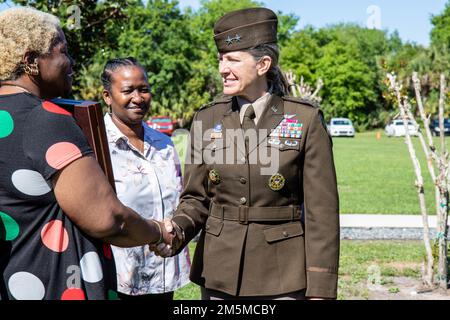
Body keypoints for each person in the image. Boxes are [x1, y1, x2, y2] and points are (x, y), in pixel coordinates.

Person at [156, 7, 340, 300]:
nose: (222, 69)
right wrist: (177, 229)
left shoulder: (304, 120)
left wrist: (320, 287)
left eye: (232, 60)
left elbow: (322, 213)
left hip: (283, 274)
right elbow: (195, 199)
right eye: (220, 59)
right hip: (219, 273)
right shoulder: (206, 119)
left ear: (263, 64)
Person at [0, 7, 172, 300]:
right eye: (62, 51)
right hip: (57, 284)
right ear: (31, 61)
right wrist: (156, 231)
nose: (71, 61)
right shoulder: (44, 119)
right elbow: (108, 219)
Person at [101, 57, 190, 300]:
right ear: (107, 96)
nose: (138, 98)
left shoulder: (164, 144)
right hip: (120, 278)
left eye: (144, 90)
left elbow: (179, 197)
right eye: (128, 90)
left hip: (164, 271)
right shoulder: (96, 146)